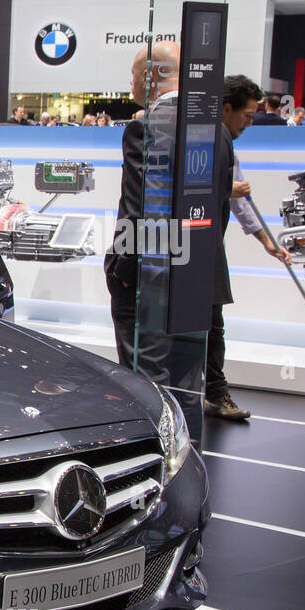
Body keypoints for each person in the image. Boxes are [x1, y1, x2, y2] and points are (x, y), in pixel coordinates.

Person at [207, 75, 294, 420]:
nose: (250, 123)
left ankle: (213, 391)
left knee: (213, 322)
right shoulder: (206, 137)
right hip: (188, 246)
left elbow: (239, 195)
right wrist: (226, 188)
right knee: (208, 323)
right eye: (246, 115)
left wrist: (266, 241)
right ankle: (206, 392)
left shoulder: (226, 141)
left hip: (209, 245)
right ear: (226, 109)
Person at [106, 41, 181, 374]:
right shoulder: (216, 129)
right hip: (191, 269)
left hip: (148, 276)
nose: (131, 83)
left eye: (133, 74)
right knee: (183, 375)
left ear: (150, 75)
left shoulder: (144, 128)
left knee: (143, 375)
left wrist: (124, 269)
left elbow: (138, 208)